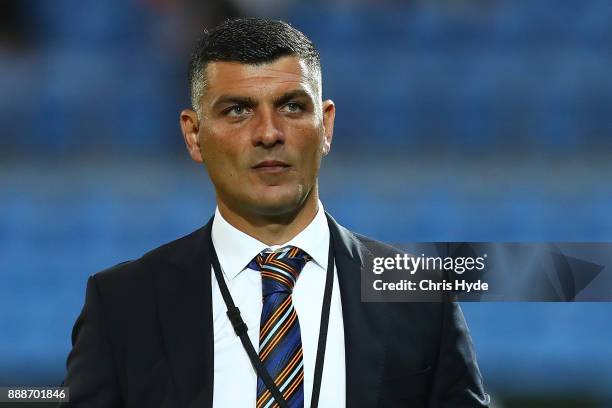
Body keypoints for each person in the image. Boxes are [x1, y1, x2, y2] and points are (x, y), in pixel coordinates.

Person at [61, 18, 489, 407]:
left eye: (292, 106)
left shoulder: (420, 297)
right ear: (193, 135)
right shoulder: (123, 305)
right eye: (237, 110)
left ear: (327, 126)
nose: (268, 133)